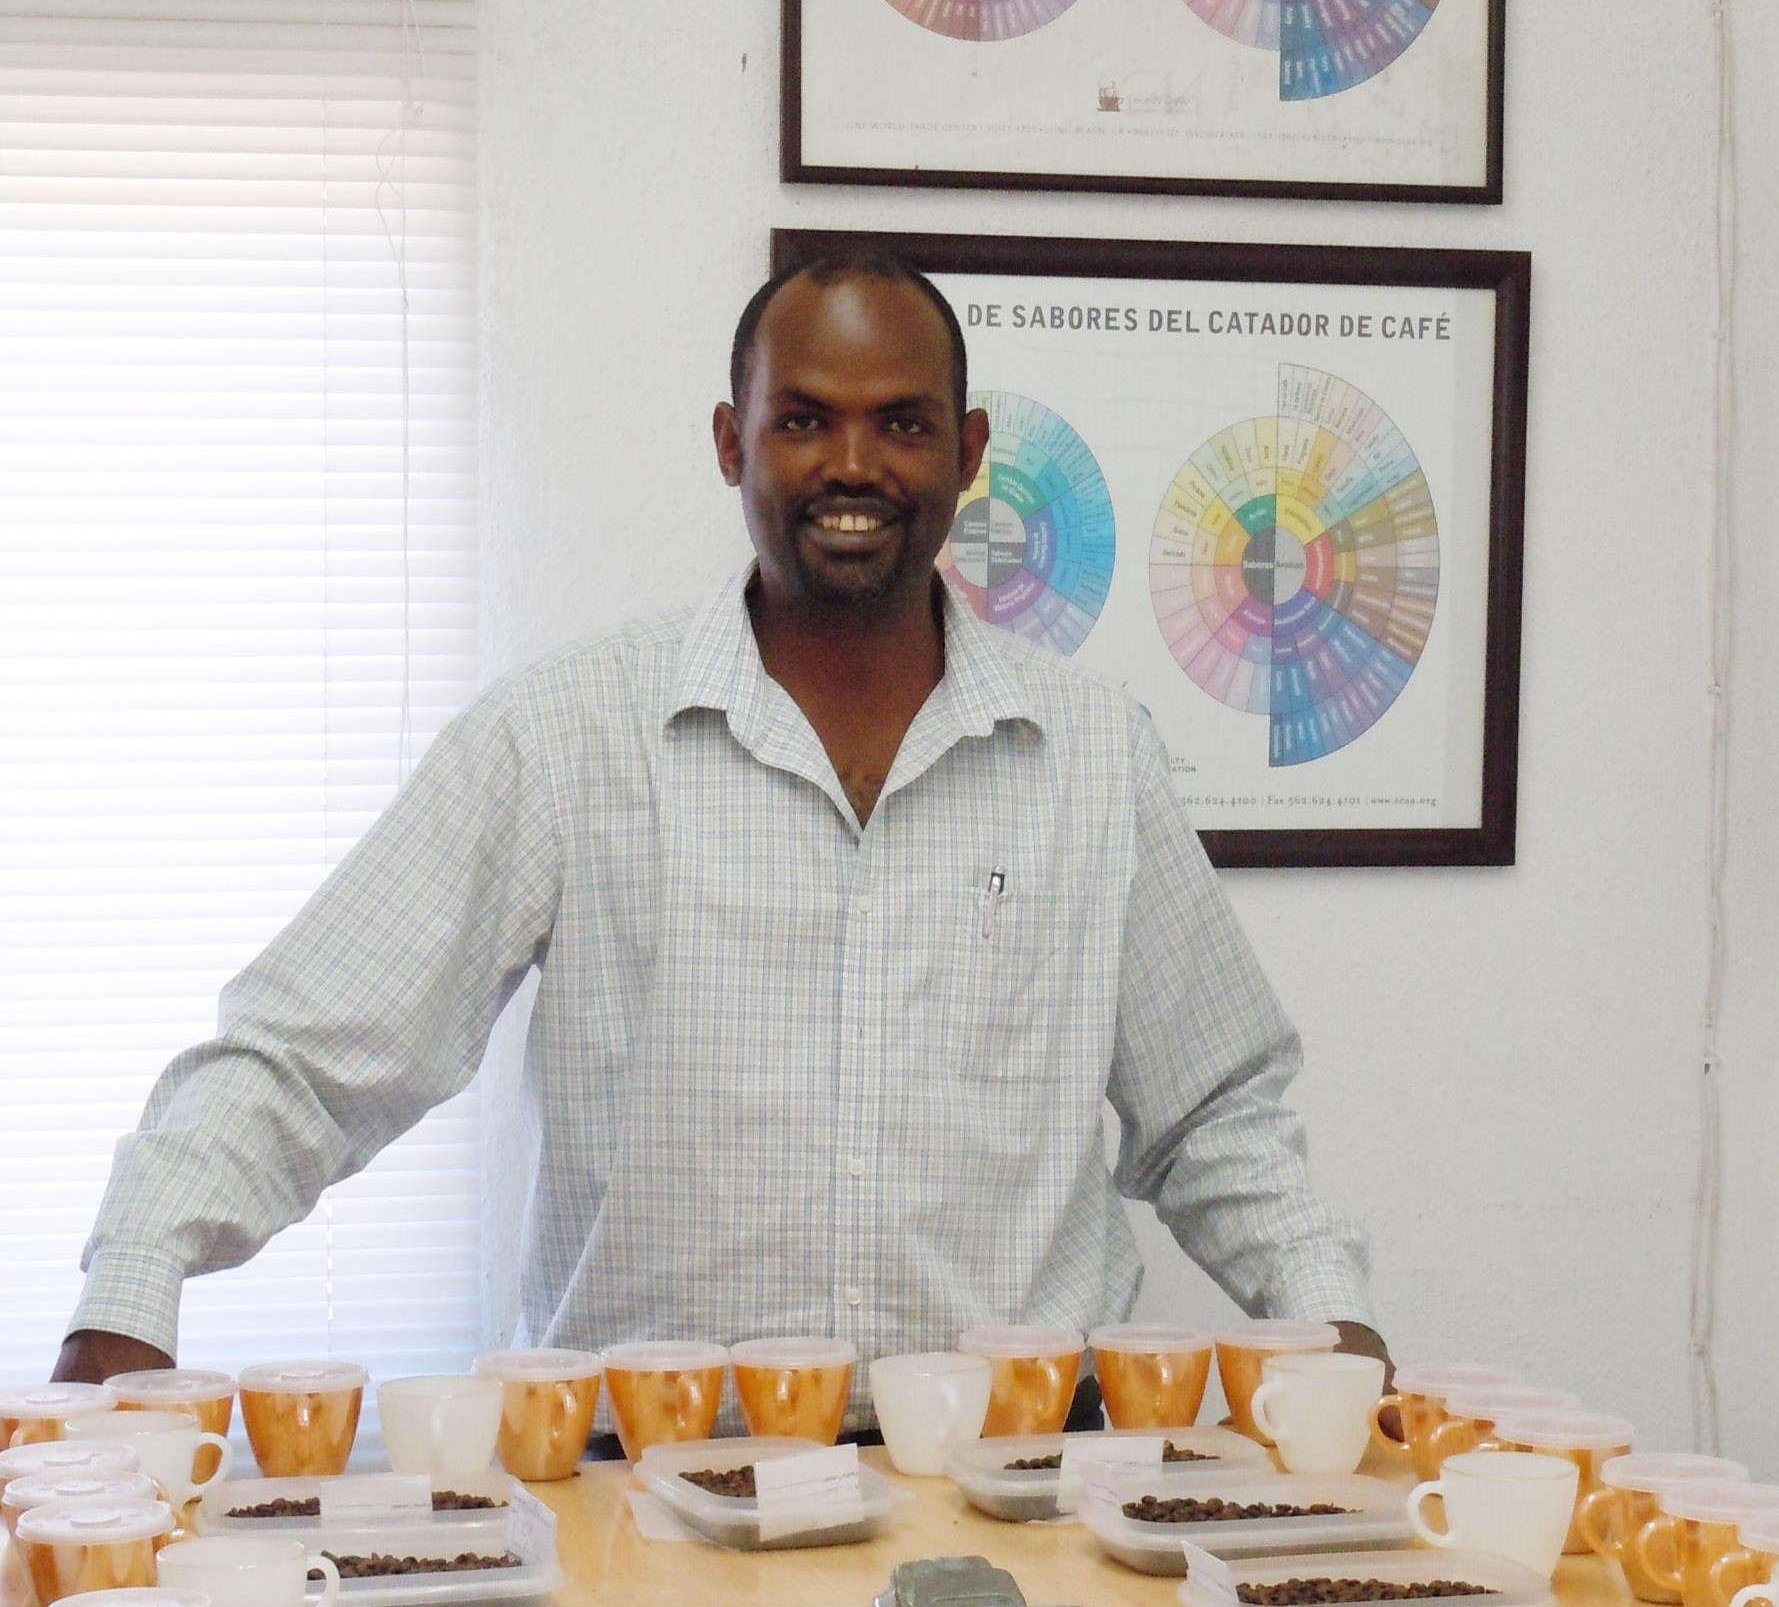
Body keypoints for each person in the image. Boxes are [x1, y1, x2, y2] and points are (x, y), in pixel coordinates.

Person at [56, 250, 1383, 1419]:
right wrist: (131, 1293)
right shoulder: (563, 736)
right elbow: (307, 1056)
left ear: (971, 453)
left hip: (1021, 1481)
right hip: (644, 1480)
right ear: (730, 443)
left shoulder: (1095, 754)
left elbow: (1215, 1115)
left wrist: (1342, 1330)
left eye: (901, 424)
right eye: (804, 419)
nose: (854, 465)